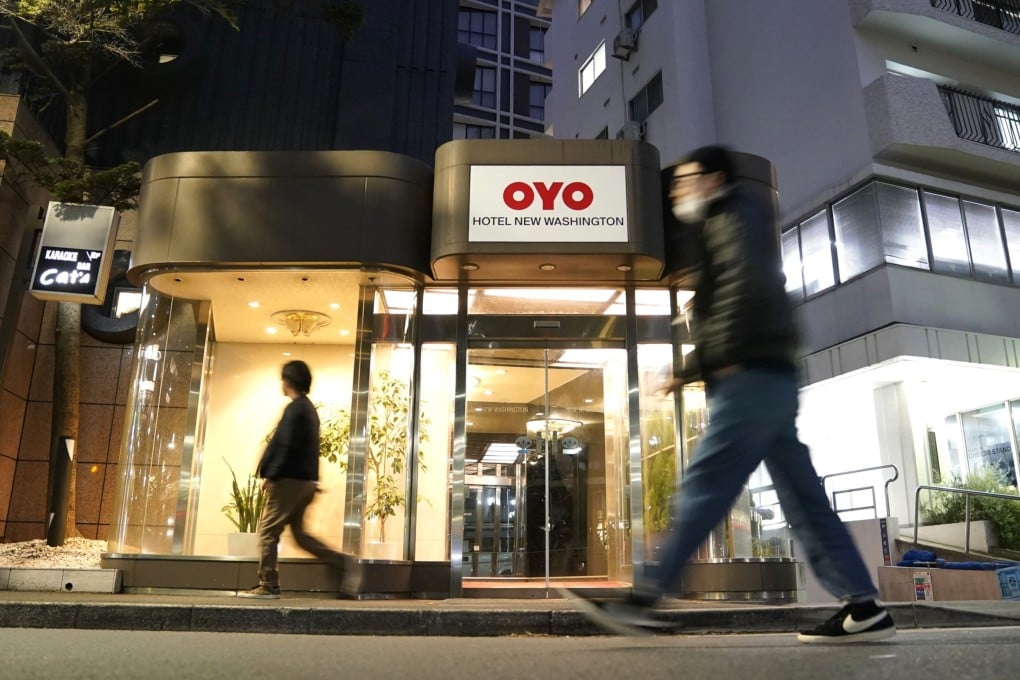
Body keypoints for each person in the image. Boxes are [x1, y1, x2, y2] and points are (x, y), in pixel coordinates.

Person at [568, 145, 895, 643]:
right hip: (768, 377)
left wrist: (710, 359)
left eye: (685, 179)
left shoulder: (730, 215)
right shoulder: (736, 218)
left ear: (713, 178)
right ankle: (864, 606)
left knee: (706, 486)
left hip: (748, 378)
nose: (678, 190)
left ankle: (643, 598)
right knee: (804, 500)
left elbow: (745, 287)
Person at [239, 360, 355, 599]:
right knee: (301, 535)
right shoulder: (308, 409)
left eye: (283, 379)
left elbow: (285, 444)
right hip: (305, 482)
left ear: (289, 380)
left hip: (289, 481)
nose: (281, 383)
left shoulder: (296, 409)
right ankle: (343, 563)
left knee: (269, 530)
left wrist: (272, 474)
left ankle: (268, 584)